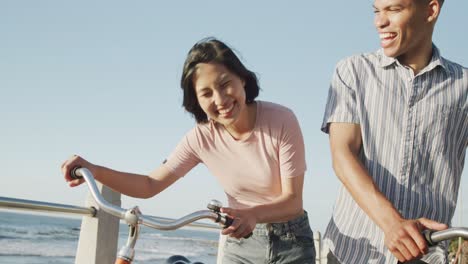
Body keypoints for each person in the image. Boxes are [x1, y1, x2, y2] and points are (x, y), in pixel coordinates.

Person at [61, 38, 316, 263]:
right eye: (206, 93)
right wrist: (94, 170)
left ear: (243, 79)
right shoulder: (201, 138)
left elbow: (293, 202)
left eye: (225, 83)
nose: (220, 100)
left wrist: (252, 214)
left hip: (291, 242)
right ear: (196, 101)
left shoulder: (282, 120)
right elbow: (150, 184)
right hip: (241, 242)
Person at [321, 0, 467, 263]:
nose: (379, 21)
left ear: (431, 10)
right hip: (351, 254)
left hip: (426, 255)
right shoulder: (352, 71)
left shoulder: (464, 87)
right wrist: (392, 223)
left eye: (394, 9)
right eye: (377, 10)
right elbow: (342, 155)